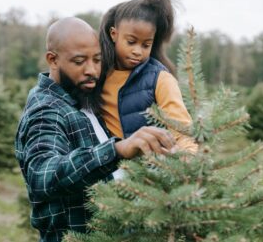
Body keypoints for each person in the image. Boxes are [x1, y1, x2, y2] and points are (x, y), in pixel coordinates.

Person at [15, 17, 177, 242]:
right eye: (79, 61)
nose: (91, 70)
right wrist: (117, 150)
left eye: (97, 59)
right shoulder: (46, 110)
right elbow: (43, 175)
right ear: (53, 60)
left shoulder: (83, 98)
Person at [99, 0, 198, 158]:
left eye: (146, 45)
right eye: (131, 42)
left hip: (148, 177)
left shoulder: (160, 79)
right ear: (114, 34)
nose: (138, 51)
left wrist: (189, 159)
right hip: (107, 173)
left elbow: (182, 130)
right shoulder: (98, 75)